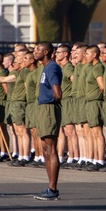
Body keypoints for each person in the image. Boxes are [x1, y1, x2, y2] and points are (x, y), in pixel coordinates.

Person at [33, 41, 63, 200]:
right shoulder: (45, 67)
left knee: (51, 150)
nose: (35, 51)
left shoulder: (51, 67)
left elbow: (57, 92)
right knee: (45, 150)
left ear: (46, 52)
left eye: (38, 49)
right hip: (43, 108)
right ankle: (49, 186)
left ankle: (53, 189)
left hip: (49, 108)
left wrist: (52, 101)